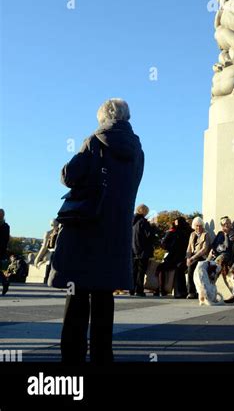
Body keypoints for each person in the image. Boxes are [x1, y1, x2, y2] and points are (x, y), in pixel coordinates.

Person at [49, 98, 144, 363]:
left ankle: (72, 355)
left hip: (86, 228)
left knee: (76, 293)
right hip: (116, 232)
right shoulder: (138, 149)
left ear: (103, 117)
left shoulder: (94, 141)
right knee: (104, 296)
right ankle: (103, 355)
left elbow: (68, 176)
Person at [155, 216, 192, 297]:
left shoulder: (173, 232)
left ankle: (161, 290)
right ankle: (179, 292)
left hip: (176, 258)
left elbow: (164, 244)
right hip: (183, 257)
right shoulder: (190, 231)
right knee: (176, 269)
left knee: (161, 268)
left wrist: (170, 247)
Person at [130, 205, 157, 297]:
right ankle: (139, 290)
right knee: (141, 271)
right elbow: (149, 236)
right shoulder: (143, 222)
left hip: (133, 250)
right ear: (145, 211)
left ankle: (131, 289)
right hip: (142, 250)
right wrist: (153, 227)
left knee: (134, 270)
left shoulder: (132, 221)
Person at [185, 217, 211, 299]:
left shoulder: (206, 234)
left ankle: (197, 292)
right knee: (189, 268)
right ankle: (191, 292)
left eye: (200, 226)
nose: (198, 227)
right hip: (193, 257)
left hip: (201, 257)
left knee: (193, 268)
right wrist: (188, 258)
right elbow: (189, 248)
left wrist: (192, 258)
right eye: (197, 226)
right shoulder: (192, 234)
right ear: (194, 226)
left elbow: (204, 249)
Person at [35, 219, 60, 284]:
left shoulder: (59, 232)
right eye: (52, 225)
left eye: (56, 225)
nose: (54, 226)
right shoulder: (49, 233)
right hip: (51, 253)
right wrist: (37, 258)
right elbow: (44, 247)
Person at [0, 209, 10, 296]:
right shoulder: (6, 226)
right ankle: (5, 282)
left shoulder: (5, 226)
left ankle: (5, 282)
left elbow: (5, 240)